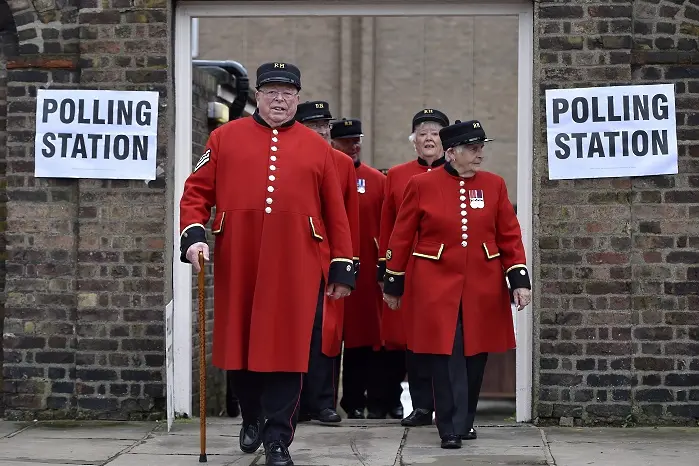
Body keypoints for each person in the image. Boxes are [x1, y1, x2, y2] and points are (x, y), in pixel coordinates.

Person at [179, 61, 355, 466]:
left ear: (298, 97)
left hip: (298, 263)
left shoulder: (318, 150)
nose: (280, 99)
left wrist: (342, 267)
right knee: (239, 344)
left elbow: (336, 214)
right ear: (258, 95)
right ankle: (252, 414)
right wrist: (194, 235)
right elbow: (196, 192)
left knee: (288, 350)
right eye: (271, 91)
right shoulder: (224, 138)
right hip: (240, 257)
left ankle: (278, 439)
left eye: (287, 93)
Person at [382, 119, 532, 449]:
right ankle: (448, 427)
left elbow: (509, 235)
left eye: (481, 148)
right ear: (452, 153)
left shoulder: (494, 185)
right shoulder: (422, 184)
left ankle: (464, 422)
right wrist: (393, 281)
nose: (480, 154)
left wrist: (518, 279)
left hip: (482, 284)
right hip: (435, 284)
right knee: (444, 354)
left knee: (475, 355)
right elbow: (402, 234)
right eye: (473, 149)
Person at [377, 108, 450, 427]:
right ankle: (422, 406)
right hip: (411, 271)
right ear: (414, 142)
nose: (429, 138)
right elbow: (388, 225)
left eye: (435, 133)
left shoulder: (460, 174)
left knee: (450, 342)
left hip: (449, 272)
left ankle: (451, 407)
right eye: (422, 133)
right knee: (416, 342)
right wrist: (386, 269)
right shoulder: (396, 175)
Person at [293, 101, 361, 424]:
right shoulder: (289, 157)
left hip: (329, 259)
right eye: (313, 125)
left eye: (325, 126)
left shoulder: (343, 164)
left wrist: (347, 264)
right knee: (294, 330)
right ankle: (294, 402)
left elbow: (349, 218)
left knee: (326, 333)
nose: (321, 131)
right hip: (294, 257)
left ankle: (323, 402)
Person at [330, 119, 391, 419]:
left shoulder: (377, 180)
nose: (354, 146)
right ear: (333, 143)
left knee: (364, 339)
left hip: (366, 273)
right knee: (327, 339)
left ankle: (355, 400)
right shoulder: (324, 172)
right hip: (330, 268)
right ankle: (322, 401)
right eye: (347, 141)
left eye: (357, 140)